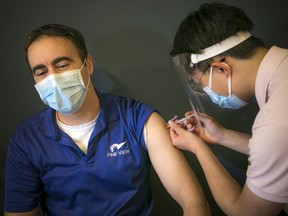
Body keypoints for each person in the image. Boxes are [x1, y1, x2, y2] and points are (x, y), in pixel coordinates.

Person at [4, 24, 210, 216]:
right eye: (41, 72)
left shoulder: (137, 118)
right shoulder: (27, 140)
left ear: (88, 64)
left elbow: (193, 202)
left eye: (62, 65)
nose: (53, 79)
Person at [168, 2, 288, 216]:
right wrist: (221, 135)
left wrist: (198, 147)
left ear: (221, 69)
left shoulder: (276, 121)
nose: (208, 93)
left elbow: (244, 212)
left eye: (202, 85)